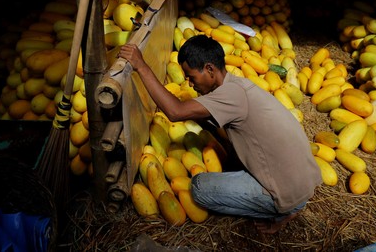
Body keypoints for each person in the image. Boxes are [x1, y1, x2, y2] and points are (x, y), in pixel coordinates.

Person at [118, 35, 322, 234]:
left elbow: (175, 112)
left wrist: (141, 66)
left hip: (287, 192)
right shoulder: (236, 85)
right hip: (300, 181)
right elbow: (214, 125)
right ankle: (286, 204)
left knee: (199, 189)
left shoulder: (231, 96)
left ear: (209, 69)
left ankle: (281, 212)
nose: (189, 83)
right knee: (228, 150)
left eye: (192, 77)